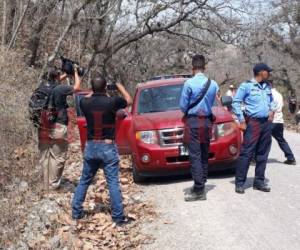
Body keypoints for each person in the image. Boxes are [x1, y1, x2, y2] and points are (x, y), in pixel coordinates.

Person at [72, 75, 133, 225]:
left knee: (84, 180)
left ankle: (76, 212)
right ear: (106, 87)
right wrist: (120, 87)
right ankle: (118, 217)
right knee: (112, 182)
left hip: (91, 146)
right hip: (107, 147)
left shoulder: (84, 103)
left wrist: (95, 91)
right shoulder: (112, 102)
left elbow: (86, 97)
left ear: (92, 88)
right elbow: (129, 101)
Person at [179, 54, 219, 201]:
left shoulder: (188, 84)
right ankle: (201, 182)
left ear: (192, 68)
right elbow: (213, 101)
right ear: (204, 67)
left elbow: (183, 106)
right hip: (207, 122)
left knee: (194, 155)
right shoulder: (213, 84)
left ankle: (199, 190)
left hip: (194, 122)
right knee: (204, 153)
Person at [232, 63, 276, 194]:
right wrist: (241, 120)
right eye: (267, 71)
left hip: (266, 124)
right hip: (253, 123)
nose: (269, 73)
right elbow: (236, 102)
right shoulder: (246, 86)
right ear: (261, 72)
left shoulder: (267, 86)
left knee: (263, 153)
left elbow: (271, 100)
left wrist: (272, 110)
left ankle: (259, 182)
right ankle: (240, 183)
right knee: (247, 153)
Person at [38, 66, 81, 190]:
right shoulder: (61, 89)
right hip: (58, 125)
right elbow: (77, 87)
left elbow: (54, 80)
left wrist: (66, 74)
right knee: (58, 156)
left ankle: (44, 184)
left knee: (45, 155)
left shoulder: (41, 88)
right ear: (57, 77)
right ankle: (53, 185)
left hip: (42, 125)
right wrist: (75, 73)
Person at [271, 85, 296, 165]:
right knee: (281, 140)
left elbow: (271, 108)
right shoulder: (279, 94)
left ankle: (254, 158)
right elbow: (281, 107)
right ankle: (291, 158)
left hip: (271, 120)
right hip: (279, 120)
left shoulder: (269, 94)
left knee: (261, 139)